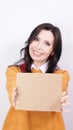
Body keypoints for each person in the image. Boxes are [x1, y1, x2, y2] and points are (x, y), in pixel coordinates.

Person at [2, 23, 70, 130]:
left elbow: (61, 90)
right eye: (36, 39)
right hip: (19, 126)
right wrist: (14, 94)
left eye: (47, 43)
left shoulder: (61, 75)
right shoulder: (14, 71)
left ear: (53, 51)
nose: (38, 47)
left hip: (50, 126)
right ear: (30, 41)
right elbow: (12, 86)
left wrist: (59, 99)